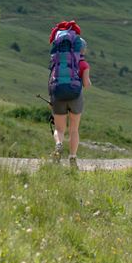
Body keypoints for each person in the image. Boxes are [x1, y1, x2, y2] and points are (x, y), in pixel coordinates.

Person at [49, 22, 91, 169]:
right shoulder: (83, 64)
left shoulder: (57, 61)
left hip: (58, 94)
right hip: (75, 96)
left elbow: (50, 80)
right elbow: (86, 84)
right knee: (74, 129)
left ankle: (58, 144)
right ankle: (72, 158)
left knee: (59, 129)